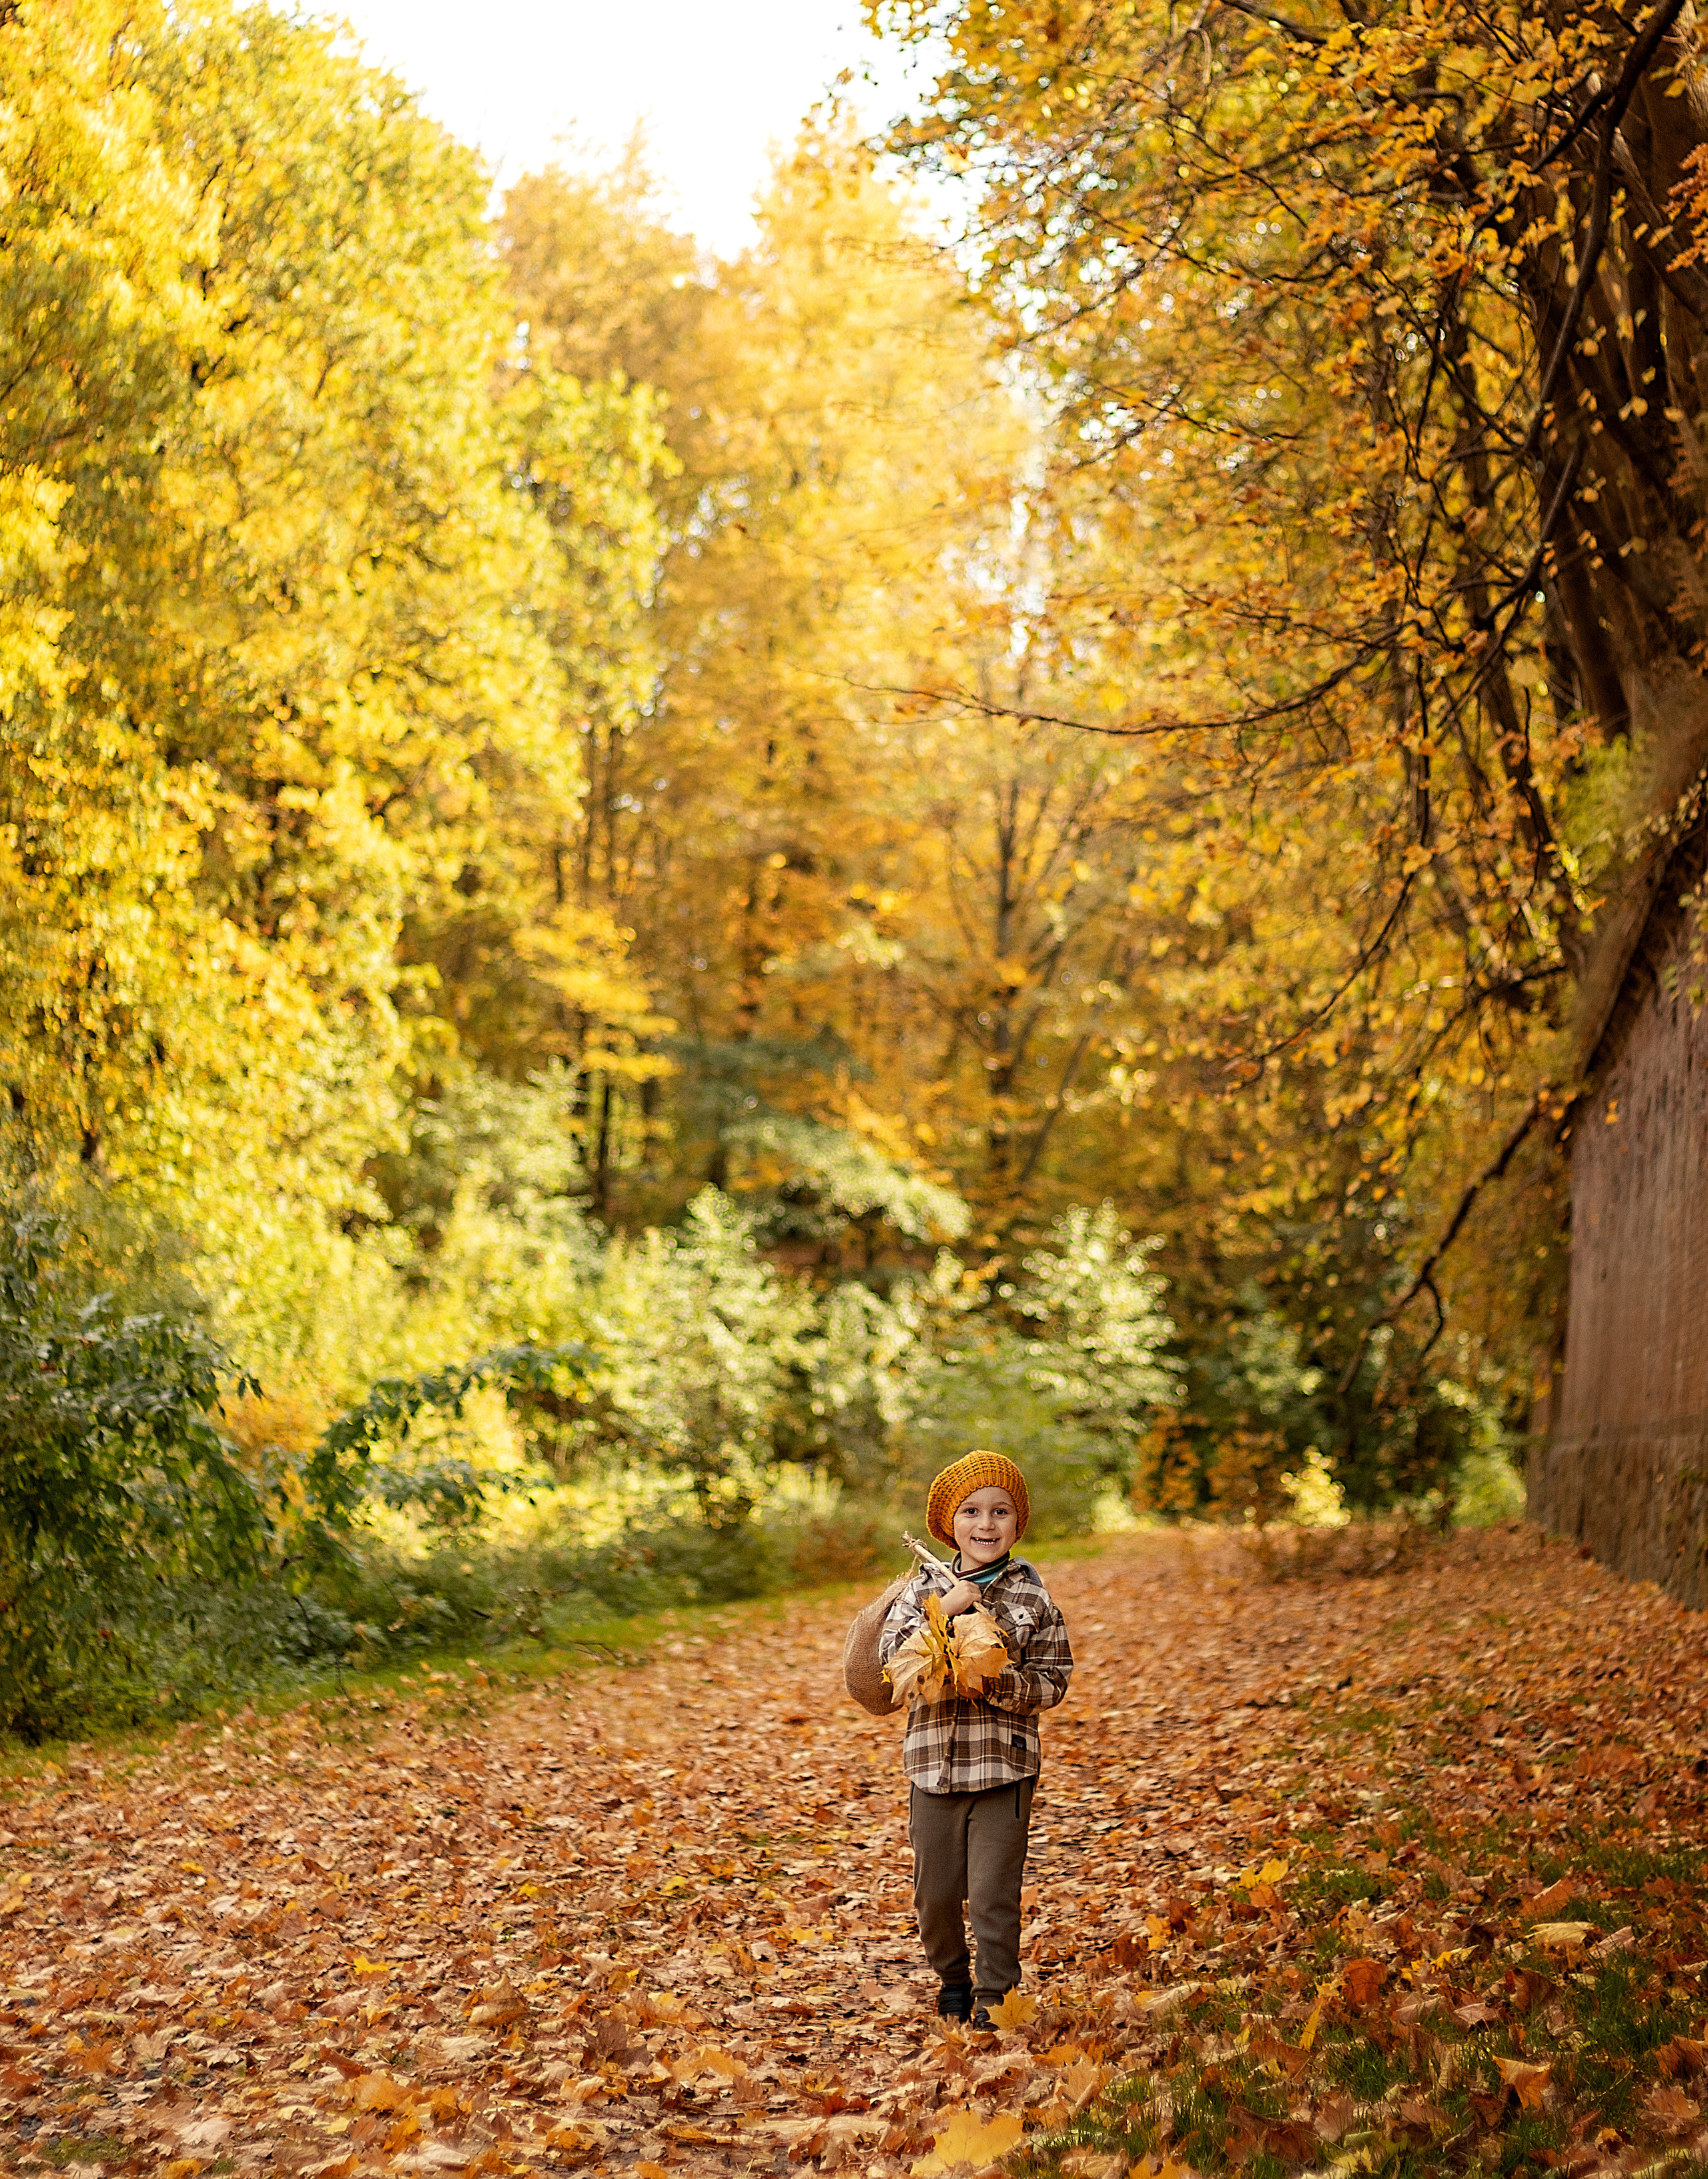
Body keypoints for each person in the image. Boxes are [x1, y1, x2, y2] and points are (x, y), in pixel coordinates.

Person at [879, 1451, 1074, 2024]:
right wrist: (943, 1614)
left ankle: (995, 1999)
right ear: (949, 1524)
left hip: (1003, 1769)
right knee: (935, 1897)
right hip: (932, 1768)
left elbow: (1053, 1680)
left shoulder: (1032, 1599)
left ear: (1018, 1523)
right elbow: (892, 1666)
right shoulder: (920, 1593)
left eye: (1000, 1512)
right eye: (971, 1512)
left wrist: (998, 1682)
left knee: (992, 1895)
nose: (985, 1525)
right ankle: (953, 1980)